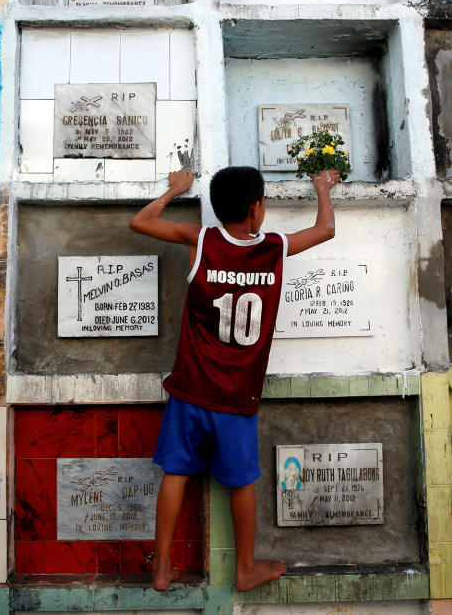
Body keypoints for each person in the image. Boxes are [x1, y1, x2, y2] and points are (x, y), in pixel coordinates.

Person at [129, 165, 338, 592]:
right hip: (238, 397)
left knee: (175, 473)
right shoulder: (275, 248)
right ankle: (244, 569)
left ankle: (162, 567)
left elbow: (140, 222)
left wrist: (176, 190)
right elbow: (326, 229)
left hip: (190, 389)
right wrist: (322, 188)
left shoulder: (201, 240)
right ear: (256, 208)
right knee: (241, 481)